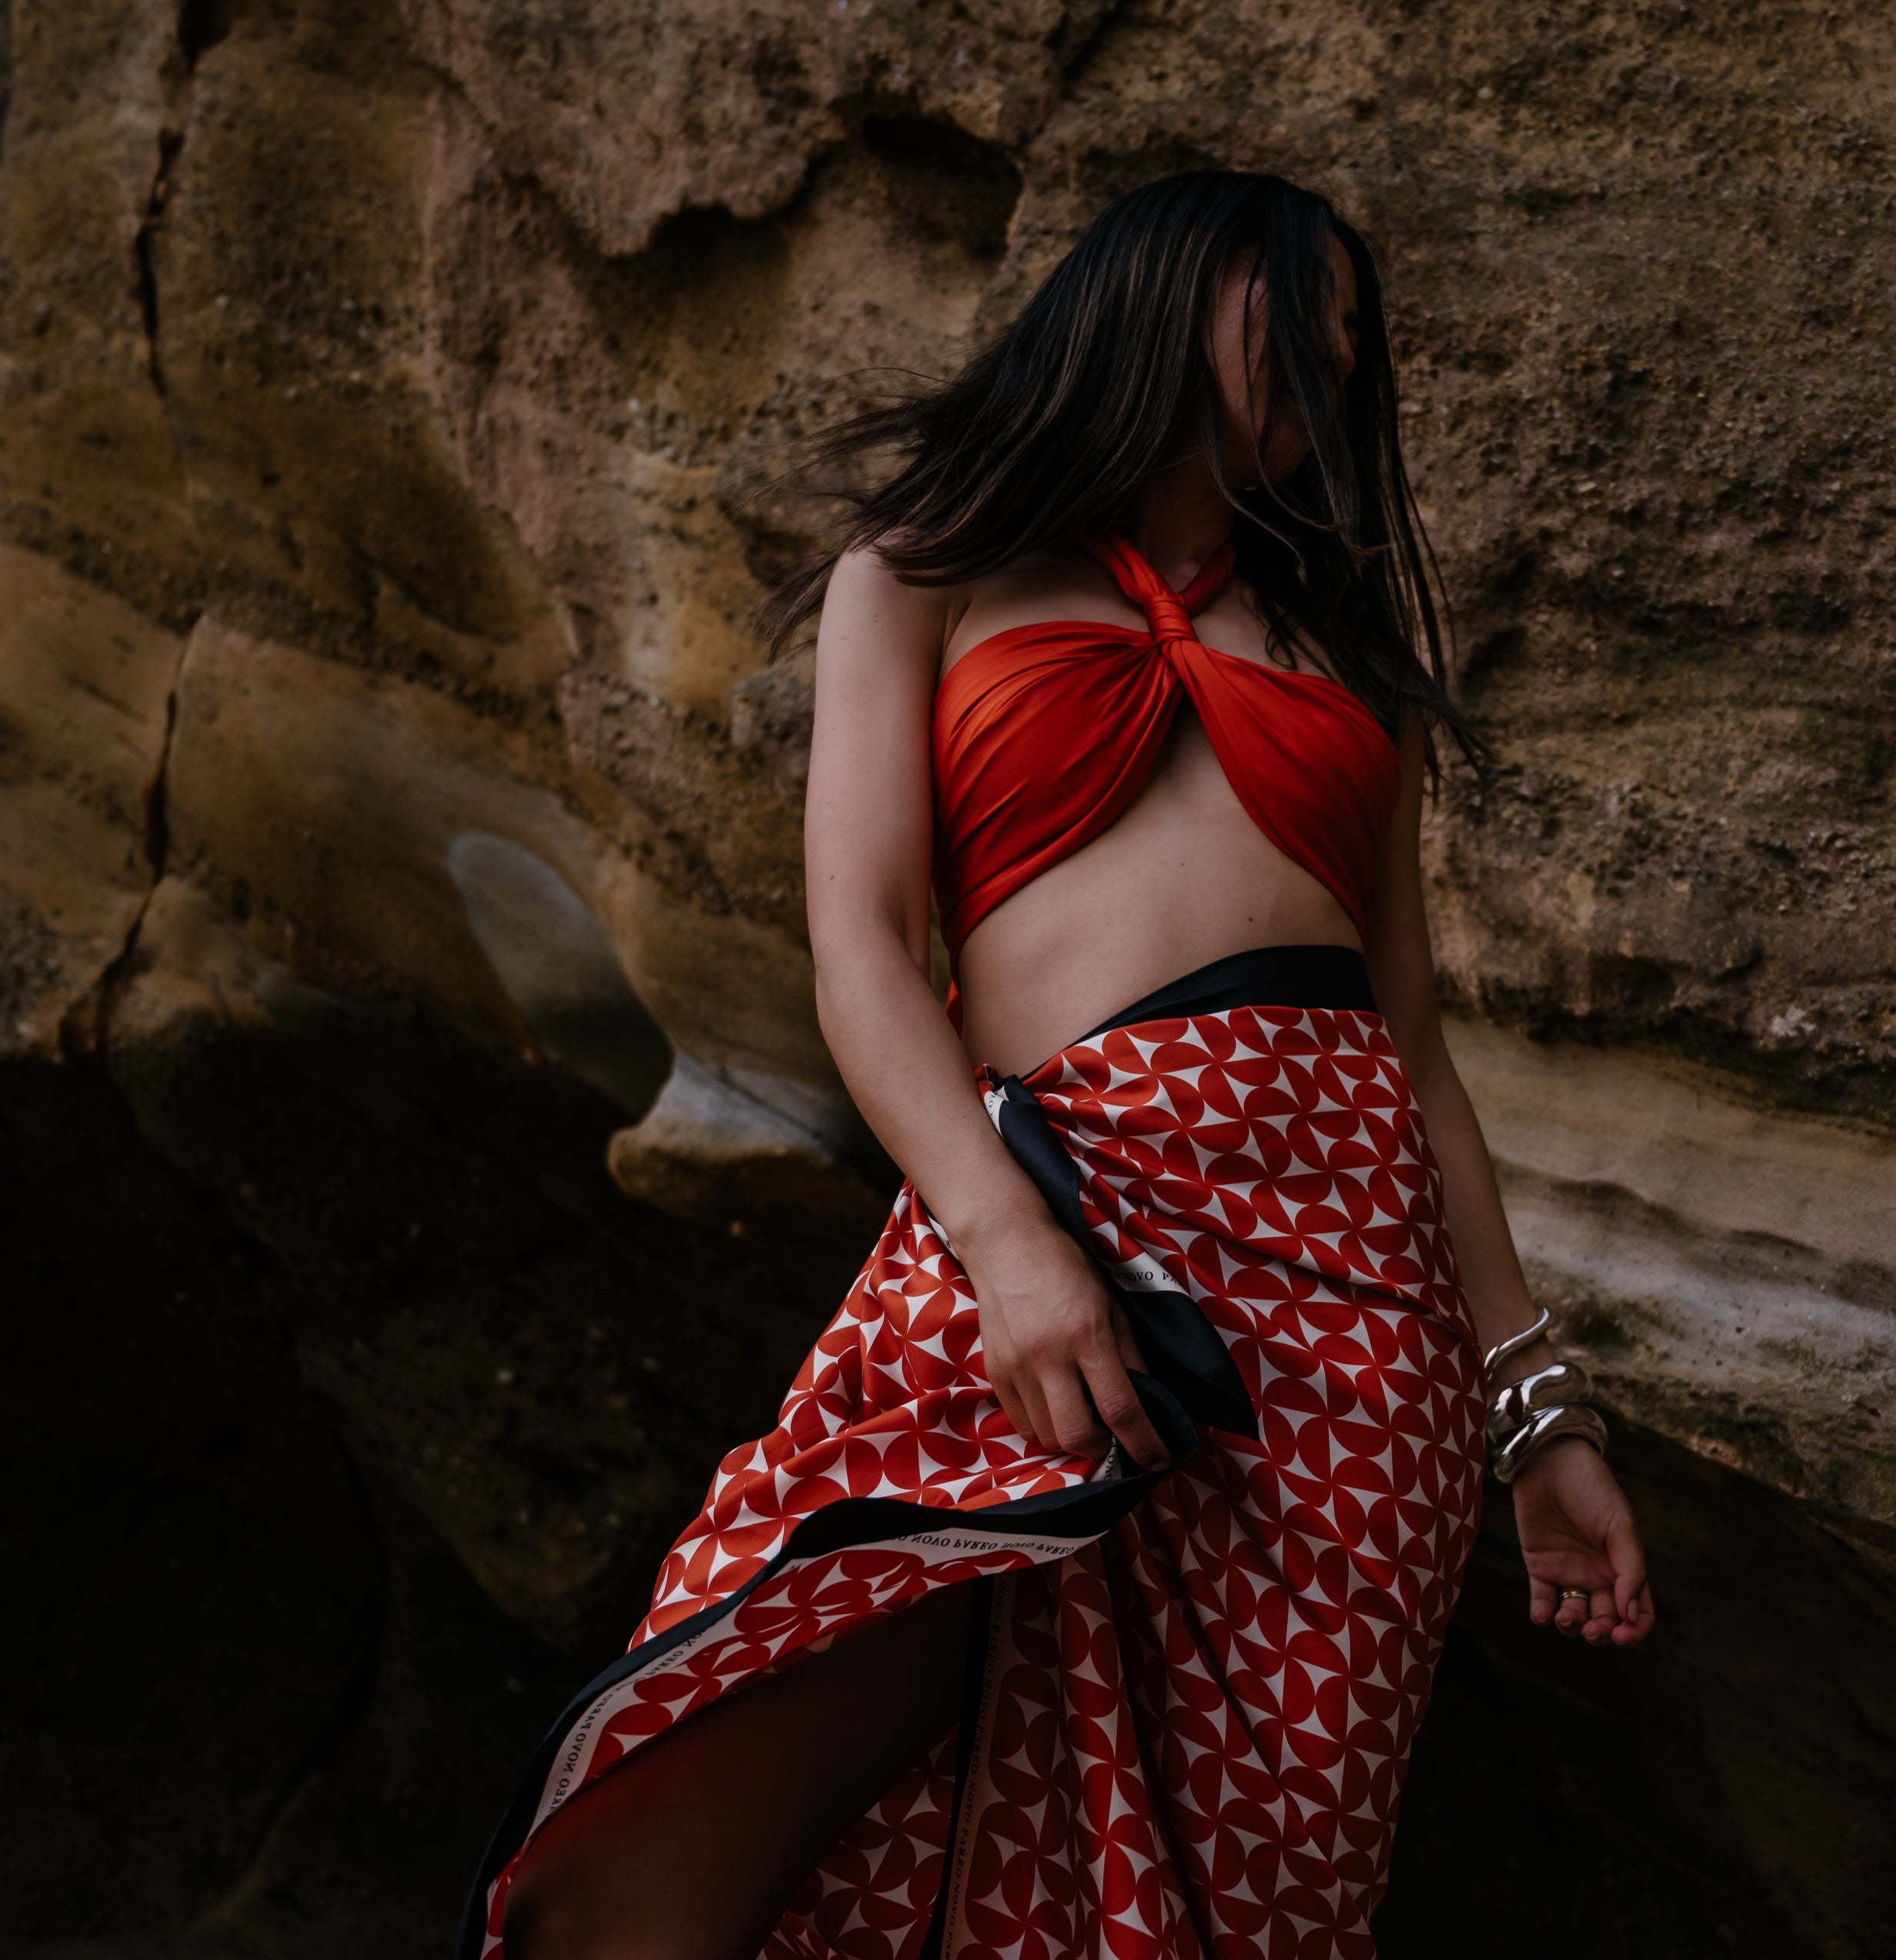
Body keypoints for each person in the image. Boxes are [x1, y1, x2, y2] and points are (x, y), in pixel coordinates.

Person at [464, 170, 1653, 1960]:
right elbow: (860, 948)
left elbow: (1413, 1049)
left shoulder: (1349, 651)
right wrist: (1010, 1247)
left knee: (1250, 1902)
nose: (1342, 347)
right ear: (1172, 295)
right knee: (694, 1780)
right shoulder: (924, 572)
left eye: (1358, 331)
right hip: (1042, 1226)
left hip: (1350, 1347)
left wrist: (1534, 1413)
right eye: (1306, 302)